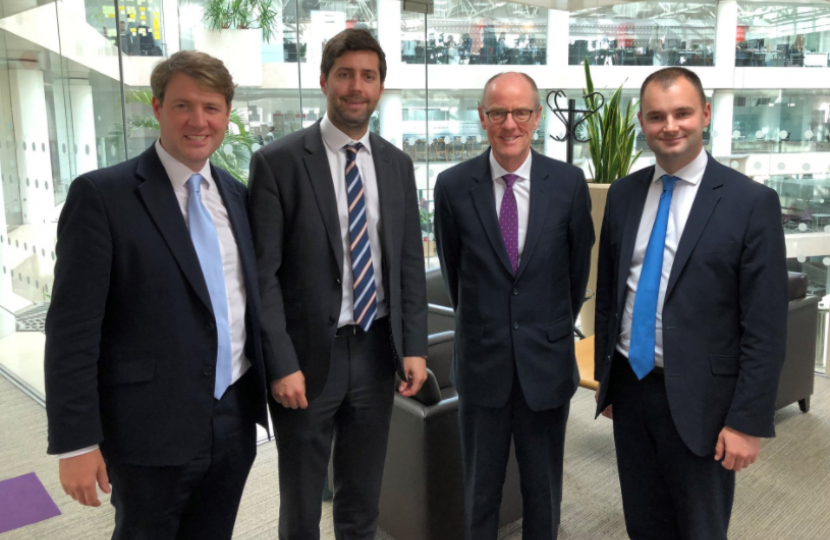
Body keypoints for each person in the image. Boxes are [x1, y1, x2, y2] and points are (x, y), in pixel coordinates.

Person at [44, 51, 268, 540]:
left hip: (232, 421)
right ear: (157, 107)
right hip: (147, 430)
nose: (198, 120)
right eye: (183, 105)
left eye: (211, 107)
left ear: (227, 115)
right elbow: (72, 330)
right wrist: (76, 441)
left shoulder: (237, 197)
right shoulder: (102, 196)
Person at [248, 28, 428, 540]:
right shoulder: (278, 163)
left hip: (376, 352)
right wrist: (281, 363)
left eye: (368, 76)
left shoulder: (397, 163)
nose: (356, 86)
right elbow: (263, 278)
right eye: (345, 74)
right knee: (303, 504)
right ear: (324, 80)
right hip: (307, 360)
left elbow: (408, 263)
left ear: (380, 87)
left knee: (362, 497)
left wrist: (412, 346)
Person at [593, 67, 788, 540]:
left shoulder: (751, 201)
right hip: (633, 388)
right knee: (643, 522)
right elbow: (610, 295)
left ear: (704, 114)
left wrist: (746, 421)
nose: (670, 126)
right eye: (657, 116)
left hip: (706, 401)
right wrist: (609, 382)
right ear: (641, 121)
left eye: (682, 113)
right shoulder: (622, 195)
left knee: (699, 528)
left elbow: (766, 324)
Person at [433, 72, 594, 540]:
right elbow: (455, 274)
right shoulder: (452, 185)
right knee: (480, 492)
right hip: (483, 364)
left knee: (543, 492)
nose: (509, 123)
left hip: (546, 364)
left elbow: (575, 272)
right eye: (498, 112)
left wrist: (545, 328)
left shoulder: (567, 183)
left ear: (537, 117)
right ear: (482, 117)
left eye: (521, 112)